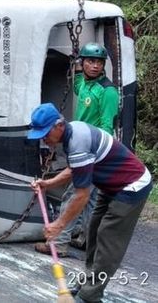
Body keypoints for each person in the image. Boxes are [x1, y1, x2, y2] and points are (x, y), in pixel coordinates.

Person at [28, 103, 151, 303]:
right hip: (110, 185)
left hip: (131, 186)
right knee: (93, 231)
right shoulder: (71, 135)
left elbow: (81, 196)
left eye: (44, 132)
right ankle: (88, 282)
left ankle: (90, 295)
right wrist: (48, 184)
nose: (43, 138)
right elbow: (75, 168)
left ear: (59, 125)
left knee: (108, 240)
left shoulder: (77, 139)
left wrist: (58, 226)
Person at [35, 42, 119, 257]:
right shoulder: (83, 84)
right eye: (90, 61)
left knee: (74, 196)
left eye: (99, 62)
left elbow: (107, 126)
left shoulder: (107, 91)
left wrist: (96, 156)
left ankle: (60, 243)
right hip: (82, 145)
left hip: (91, 150)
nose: (95, 66)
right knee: (91, 200)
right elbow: (75, 81)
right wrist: (75, 61)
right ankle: (91, 242)